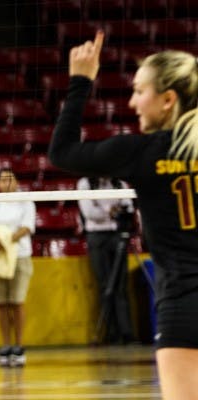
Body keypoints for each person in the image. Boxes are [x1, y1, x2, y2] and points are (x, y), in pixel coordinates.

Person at [48, 31, 198, 400]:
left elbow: (62, 152)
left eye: (139, 91)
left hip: (182, 304)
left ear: (167, 100)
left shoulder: (138, 152)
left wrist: (81, 81)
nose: (131, 102)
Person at [0, 169, 35, 367]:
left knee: (17, 301)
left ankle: (19, 346)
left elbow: (27, 227)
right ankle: (5, 345)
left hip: (19, 256)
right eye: (3, 179)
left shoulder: (26, 201)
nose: (6, 183)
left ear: (17, 181)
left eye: (10, 179)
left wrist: (7, 240)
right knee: (2, 303)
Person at [77, 176, 135, 344]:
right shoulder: (85, 184)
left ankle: (127, 333)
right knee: (104, 285)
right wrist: (111, 211)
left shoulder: (120, 183)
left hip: (117, 234)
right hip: (96, 236)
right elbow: (90, 212)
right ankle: (109, 333)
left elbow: (128, 208)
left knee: (120, 284)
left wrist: (110, 212)